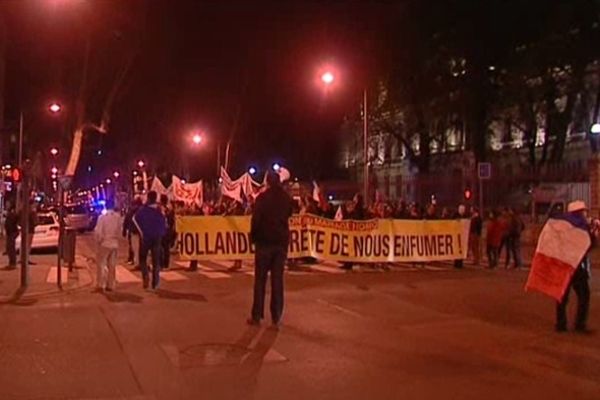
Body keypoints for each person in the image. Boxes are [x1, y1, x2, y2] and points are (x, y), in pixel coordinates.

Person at [247, 172, 293, 328]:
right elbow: (289, 215)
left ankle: (257, 315)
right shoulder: (286, 198)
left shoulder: (262, 199)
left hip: (264, 243)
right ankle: (276, 317)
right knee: (277, 281)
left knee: (260, 281)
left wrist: (252, 238)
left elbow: (256, 220)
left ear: (267, 182)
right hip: (280, 244)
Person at [555, 200, 598, 333]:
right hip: (577, 266)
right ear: (579, 212)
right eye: (584, 211)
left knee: (562, 296)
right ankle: (580, 324)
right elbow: (588, 245)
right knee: (584, 295)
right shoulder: (581, 225)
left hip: (563, 265)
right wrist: (594, 232)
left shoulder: (561, 225)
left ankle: (560, 324)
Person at [133, 191, 166, 290]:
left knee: (142, 259)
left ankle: (145, 277)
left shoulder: (143, 210)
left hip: (146, 237)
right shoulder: (160, 210)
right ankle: (155, 282)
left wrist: (141, 232)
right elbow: (164, 222)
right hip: (157, 238)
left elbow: (135, 219)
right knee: (156, 261)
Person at [94, 200, 122, 292]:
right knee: (112, 265)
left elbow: (99, 232)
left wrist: (99, 241)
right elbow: (119, 231)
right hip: (114, 243)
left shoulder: (102, 217)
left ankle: (100, 285)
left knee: (101, 265)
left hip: (105, 243)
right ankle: (111, 285)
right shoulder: (117, 217)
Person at [123, 197, 142, 268]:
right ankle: (143, 262)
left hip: (133, 231)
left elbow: (126, 221)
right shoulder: (142, 210)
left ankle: (136, 262)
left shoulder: (131, 211)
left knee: (135, 247)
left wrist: (124, 231)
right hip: (142, 232)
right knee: (143, 248)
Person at [160, 195, 176, 270]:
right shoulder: (169, 210)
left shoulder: (161, 209)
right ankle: (165, 264)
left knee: (162, 248)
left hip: (162, 231)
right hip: (167, 231)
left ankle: (162, 264)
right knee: (165, 249)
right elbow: (172, 221)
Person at [454, 204, 468, 269]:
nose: (462, 211)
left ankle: (460, 263)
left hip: (462, 236)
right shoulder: (455, 215)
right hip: (456, 235)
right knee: (457, 250)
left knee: (461, 250)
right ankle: (456, 263)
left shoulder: (465, 216)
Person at [4, 202, 19, 269]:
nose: (7, 205)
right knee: (9, 248)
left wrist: (10, 232)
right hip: (10, 233)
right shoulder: (10, 213)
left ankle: (12, 263)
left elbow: (11, 224)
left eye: (8, 204)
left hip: (11, 233)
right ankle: (12, 263)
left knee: (11, 248)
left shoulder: (12, 213)